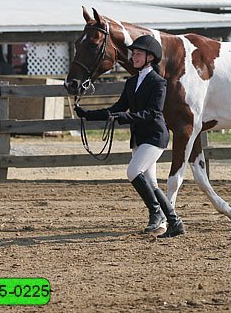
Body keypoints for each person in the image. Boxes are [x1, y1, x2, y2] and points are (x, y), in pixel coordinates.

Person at [74, 35, 184, 239]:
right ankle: (175, 222)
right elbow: (117, 107)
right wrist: (88, 114)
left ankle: (155, 213)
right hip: (139, 137)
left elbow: (153, 113)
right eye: (134, 54)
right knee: (150, 183)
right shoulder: (132, 81)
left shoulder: (158, 82)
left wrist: (123, 117)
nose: (134, 57)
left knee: (133, 171)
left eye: (139, 54)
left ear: (150, 57)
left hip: (155, 136)